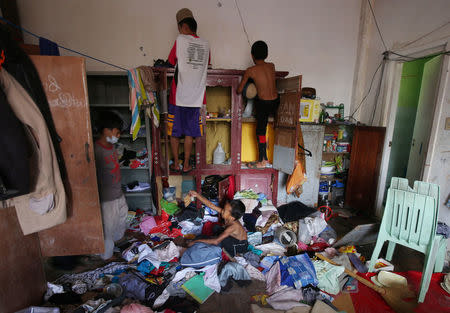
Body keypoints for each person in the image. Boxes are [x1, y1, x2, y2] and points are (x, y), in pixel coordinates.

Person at [167, 8, 210, 174]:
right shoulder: (206, 44)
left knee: (175, 131)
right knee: (190, 132)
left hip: (178, 95)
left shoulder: (180, 40)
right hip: (197, 97)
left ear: (183, 26)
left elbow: (171, 61)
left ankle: (176, 163)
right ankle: (186, 164)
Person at [237, 40, 279, 168]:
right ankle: (265, 159)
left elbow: (239, 90)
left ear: (252, 55)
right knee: (268, 128)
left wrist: (249, 87)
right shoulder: (271, 66)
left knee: (260, 131)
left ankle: (262, 160)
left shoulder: (251, 70)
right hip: (276, 102)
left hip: (264, 104)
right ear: (266, 55)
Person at [94, 111, 128, 260]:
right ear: (106, 130)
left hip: (117, 193)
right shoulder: (97, 150)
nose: (118, 135)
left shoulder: (111, 148)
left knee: (121, 219)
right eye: (117, 132)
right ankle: (106, 257)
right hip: (106, 197)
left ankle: (115, 246)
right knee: (107, 227)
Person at [188, 190, 247, 257]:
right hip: (231, 237)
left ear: (232, 217)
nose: (222, 211)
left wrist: (196, 241)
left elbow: (216, 241)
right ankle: (214, 240)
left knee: (221, 241)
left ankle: (234, 254)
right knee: (216, 228)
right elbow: (211, 205)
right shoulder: (229, 216)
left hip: (240, 245)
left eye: (224, 211)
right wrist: (197, 195)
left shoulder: (233, 226)